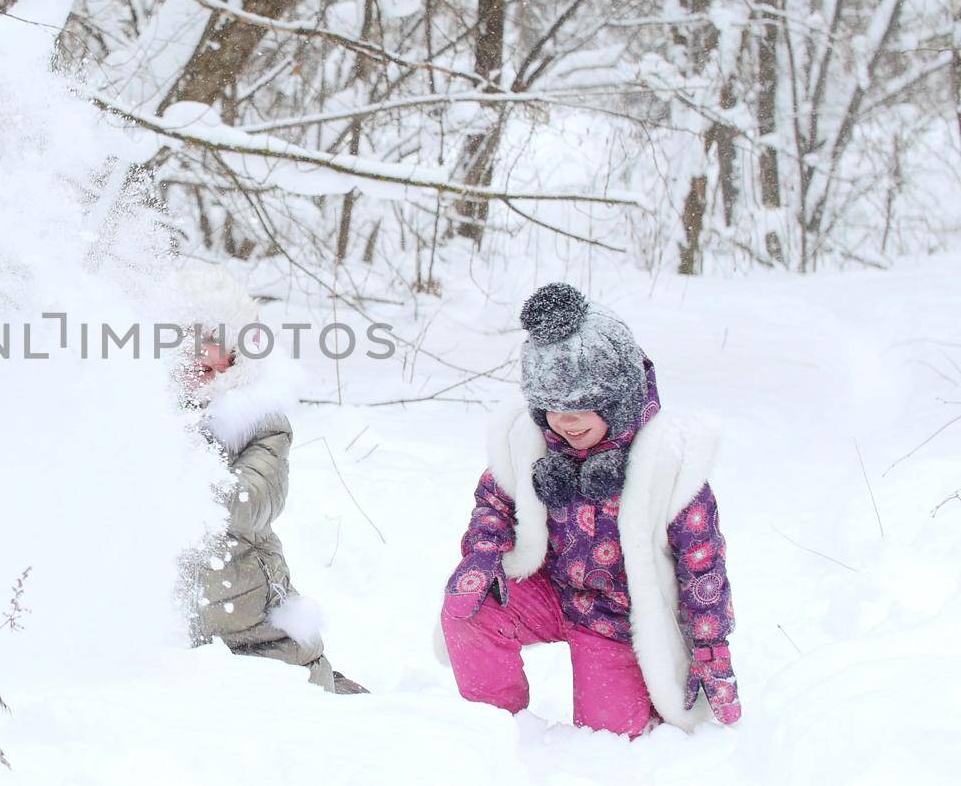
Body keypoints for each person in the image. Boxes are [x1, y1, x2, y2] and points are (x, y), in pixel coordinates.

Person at [437, 283, 740, 736]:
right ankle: (493, 728)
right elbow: (494, 503)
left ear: (619, 401)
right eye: (553, 406)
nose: (566, 420)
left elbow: (702, 565)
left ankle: (632, 709)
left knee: (610, 737)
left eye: (582, 406)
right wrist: (483, 554)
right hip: (549, 592)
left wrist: (710, 645)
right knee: (473, 609)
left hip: (618, 618)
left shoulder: (666, 465)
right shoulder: (532, 442)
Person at [179, 269, 365, 695]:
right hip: (177, 626)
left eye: (211, 338)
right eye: (188, 337)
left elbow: (252, 499)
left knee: (301, 688)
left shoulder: (258, 419)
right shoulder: (147, 409)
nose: (198, 352)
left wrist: (177, 479)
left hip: (247, 611)